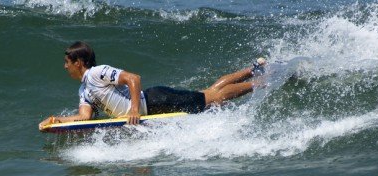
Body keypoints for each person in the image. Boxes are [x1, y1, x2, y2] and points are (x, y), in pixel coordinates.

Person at [39, 41, 265, 130]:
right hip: (155, 105)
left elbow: (133, 78)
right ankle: (252, 69)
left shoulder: (97, 73)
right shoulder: (84, 89)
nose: (64, 67)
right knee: (208, 93)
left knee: (212, 98)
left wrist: (135, 110)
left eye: (66, 62)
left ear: (78, 62)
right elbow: (84, 117)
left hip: (155, 100)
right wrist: (56, 121)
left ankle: (260, 82)